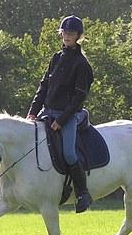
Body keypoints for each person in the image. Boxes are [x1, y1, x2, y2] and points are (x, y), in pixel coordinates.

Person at [27, 15, 93, 213]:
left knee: (69, 153)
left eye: (71, 33)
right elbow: (44, 87)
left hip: (68, 116)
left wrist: (62, 121)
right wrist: (32, 112)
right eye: (64, 32)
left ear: (78, 36)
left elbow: (78, 98)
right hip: (47, 112)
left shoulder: (82, 65)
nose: (67, 36)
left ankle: (83, 193)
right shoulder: (56, 57)